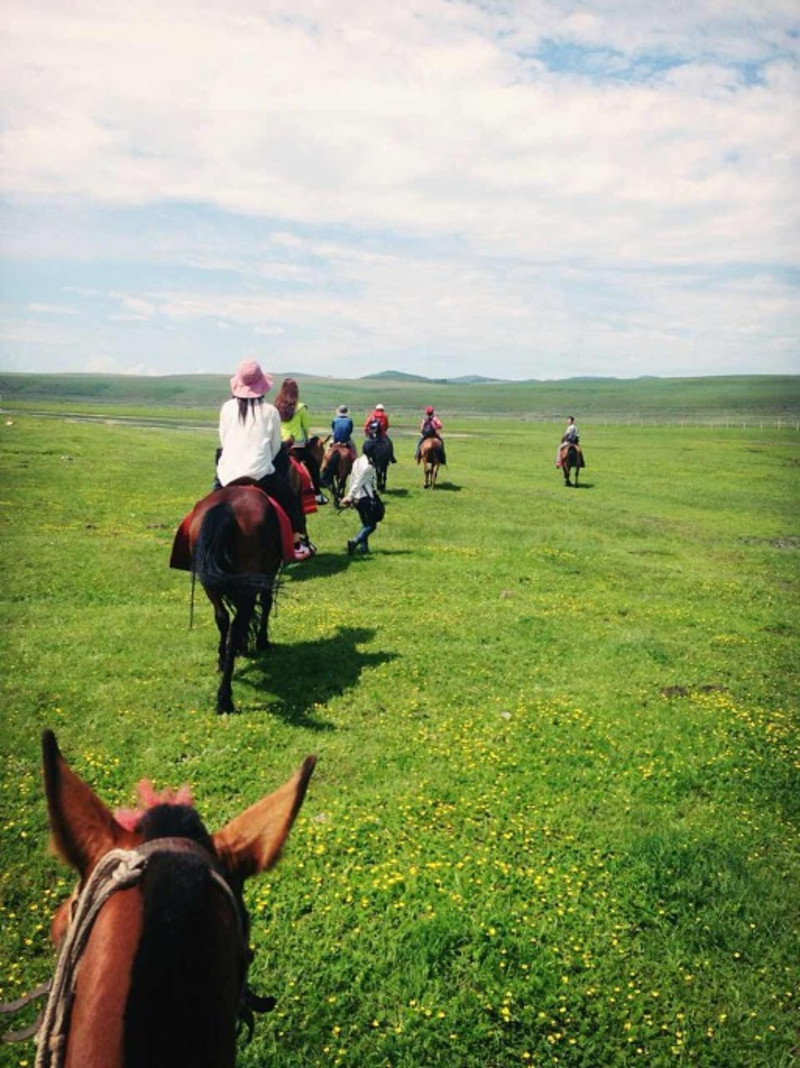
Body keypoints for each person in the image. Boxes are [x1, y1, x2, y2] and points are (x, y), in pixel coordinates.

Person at [216, 360, 313, 562]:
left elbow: (224, 440)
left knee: (212, 501)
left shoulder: (226, 408)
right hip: (259, 474)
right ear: (261, 385)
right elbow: (275, 448)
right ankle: (297, 541)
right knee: (288, 497)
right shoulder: (270, 411)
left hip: (227, 474)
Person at [274, 377, 328, 504]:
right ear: (296, 392)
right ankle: (317, 494)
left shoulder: (276, 407)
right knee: (313, 465)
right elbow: (306, 428)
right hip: (297, 445)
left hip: (280, 445)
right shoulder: (301, 408)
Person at [341, 439, 383, 555]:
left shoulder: (357, 461)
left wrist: (350, 495)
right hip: (365, 498)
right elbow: (358, 482)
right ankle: (354, 542)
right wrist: (349, 496)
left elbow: (353, 479)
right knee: (371, 525)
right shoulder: (369, 466)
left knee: (365, 523)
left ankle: (364, 547)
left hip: (357, 499)